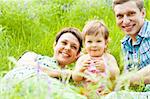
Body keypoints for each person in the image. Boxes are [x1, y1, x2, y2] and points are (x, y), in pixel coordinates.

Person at [2, 27, 83, 89]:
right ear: (55, 45)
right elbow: (24, 66)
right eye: (64, 43)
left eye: (73, 47)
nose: (68, 48)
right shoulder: (32, 56)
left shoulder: (74, 80)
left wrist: (83, 59)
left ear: (77, 54)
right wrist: (64, 74)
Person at [72, 20, 120, 95]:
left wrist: (106, 68)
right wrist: (81, 70)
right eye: (89, 42)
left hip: (105, 93)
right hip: (88, 93)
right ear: (84, 43)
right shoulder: (83, 59)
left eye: (98, 41)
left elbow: (116, 74)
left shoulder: (108, 58)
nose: (94, 45)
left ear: (106, 43)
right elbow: (75, 78)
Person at [112, 0, 150, 91]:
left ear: (143, 13)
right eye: (120, 16)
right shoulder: (125, 44)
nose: (125, 21)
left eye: (131, 14)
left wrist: (124, 81)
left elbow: (128, 80)